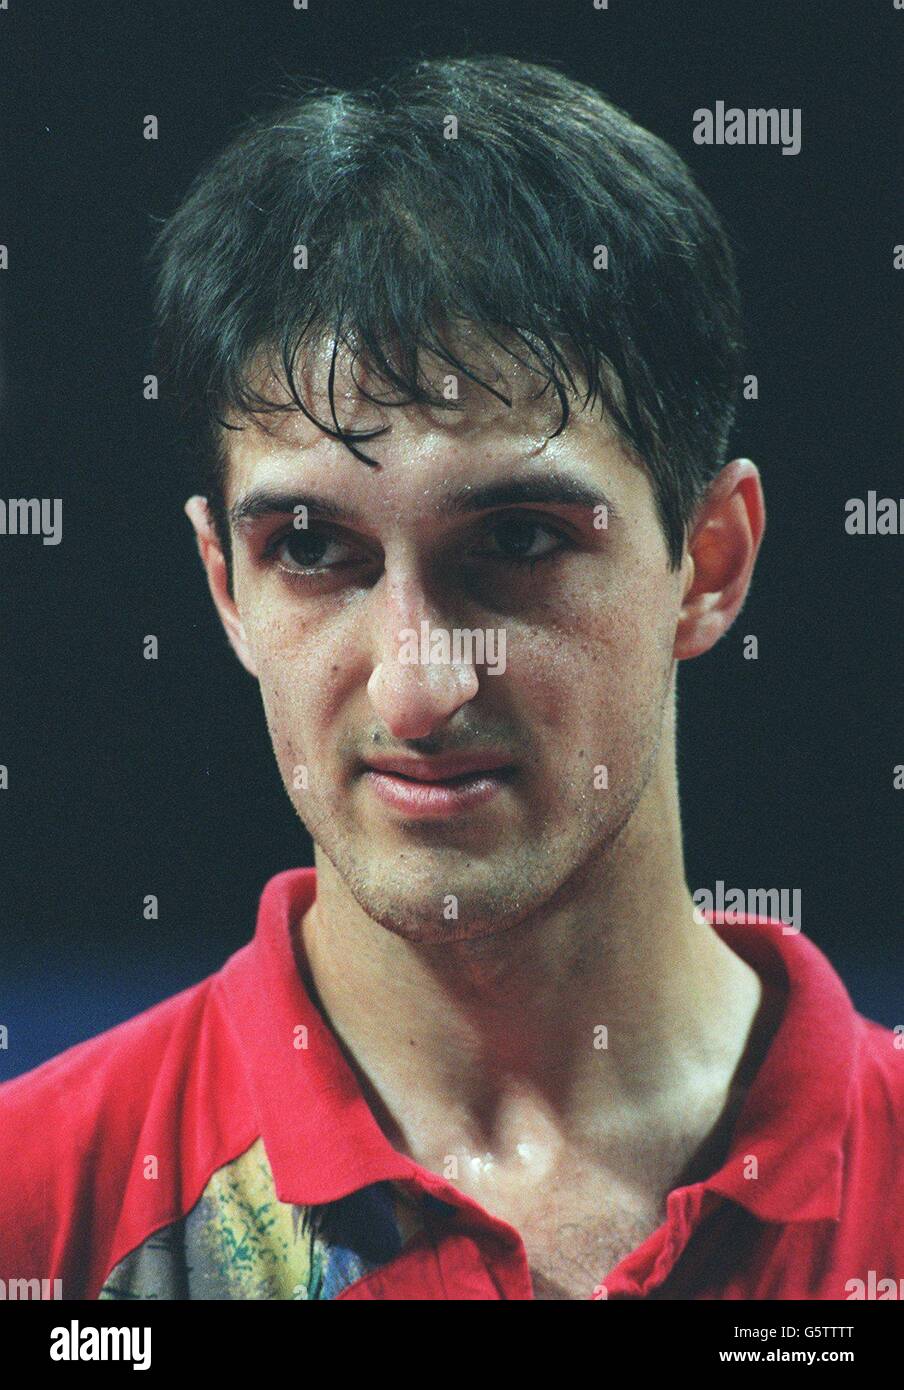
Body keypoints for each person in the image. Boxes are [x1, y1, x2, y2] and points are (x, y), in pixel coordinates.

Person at [1, 54, 900, 1302]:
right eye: (311, 549)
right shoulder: (33, 1214)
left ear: (707, 561)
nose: (418, 690)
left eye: (518, 541)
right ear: (225, 589)